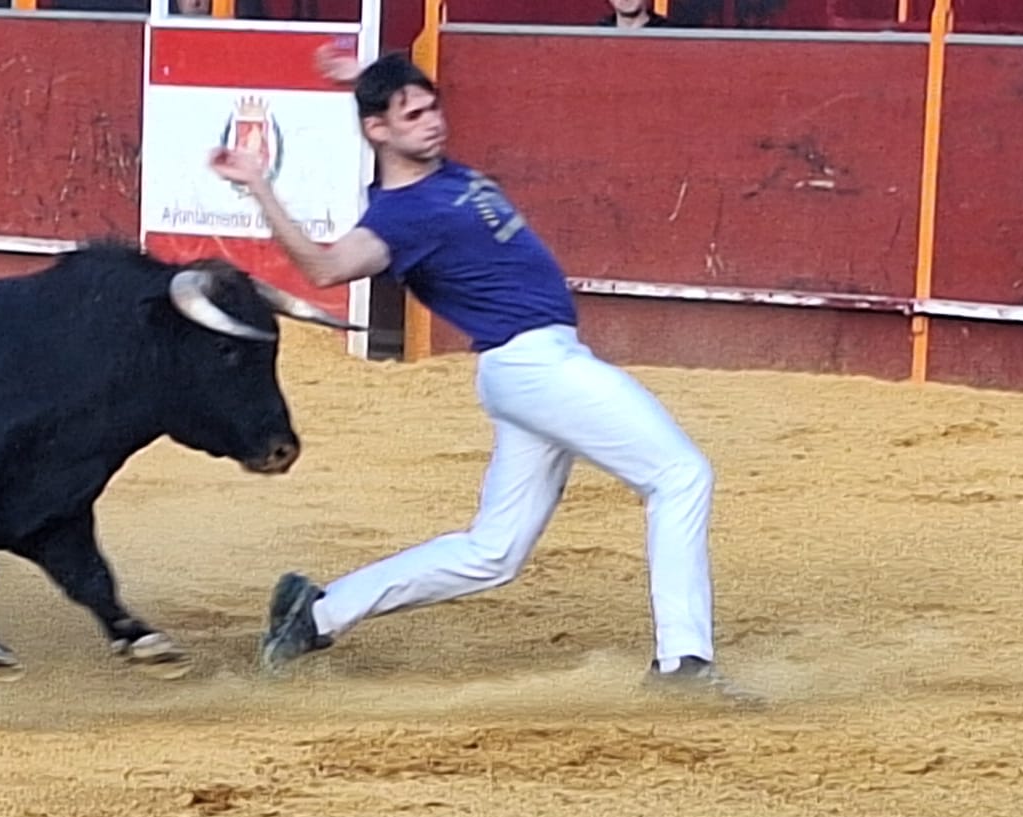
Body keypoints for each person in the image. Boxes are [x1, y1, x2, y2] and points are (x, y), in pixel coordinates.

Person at [207, 47, 751, 700]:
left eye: (433, 108)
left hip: (531, 369)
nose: (432, 122)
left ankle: (317, 614)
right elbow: (324, 269)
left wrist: (365, 81)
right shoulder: (398, 218)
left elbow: (391, 113)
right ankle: (683, 665)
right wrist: (259, 185)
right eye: (413, 115)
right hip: (534, 365)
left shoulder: (432, 173)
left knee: (493, 552)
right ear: (378, 131)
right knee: (681, 474)